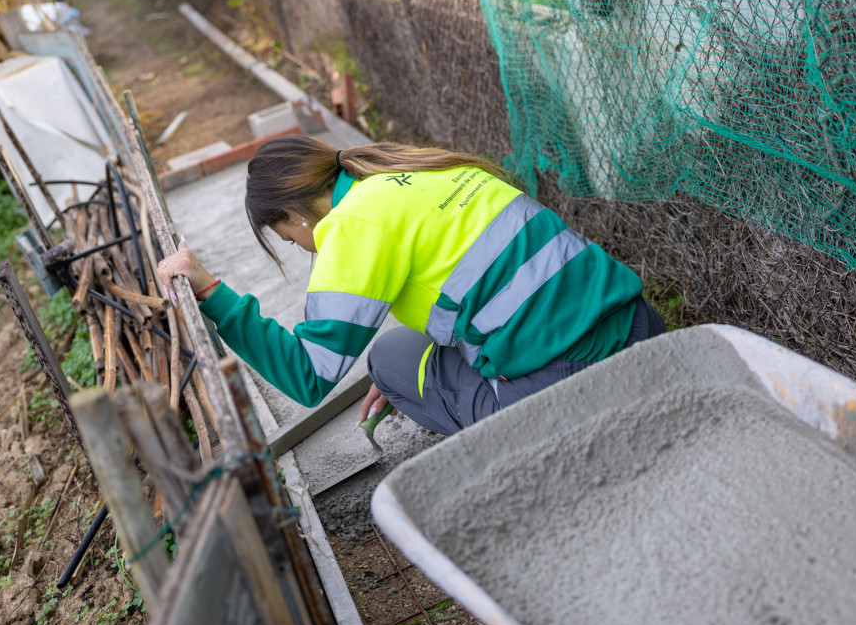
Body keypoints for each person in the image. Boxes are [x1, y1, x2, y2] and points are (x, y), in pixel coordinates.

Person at [156, 135, 666, 436]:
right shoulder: (415, 170)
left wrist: (210, 292)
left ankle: (517, 434)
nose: (302, 247)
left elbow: (308, 375)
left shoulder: (352, 225)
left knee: (389, 360)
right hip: (641, 327)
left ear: (293, 215)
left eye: (289, 238)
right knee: (409, 343)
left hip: (572, 387)